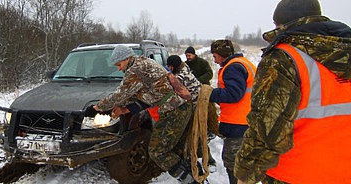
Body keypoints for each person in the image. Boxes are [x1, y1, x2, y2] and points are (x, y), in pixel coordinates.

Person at [234, 0, 351, 184]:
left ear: (281, 24)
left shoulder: (284, 59)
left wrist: (245, 174)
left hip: (297, 175)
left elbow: (267, 131)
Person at [93, 45, 196, 183]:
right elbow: (145, 96)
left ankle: (192, 180)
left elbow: (121, 94)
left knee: (157, 152)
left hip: (175, 109)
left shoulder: (136, 69)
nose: (118, 68)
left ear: (127, 58)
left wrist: (98, 108)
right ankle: (195, 174)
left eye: (119, 64)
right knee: (174, 149)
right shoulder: (143, 63)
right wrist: (124, 109)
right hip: (177, 107)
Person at [208, 39, 257, 184]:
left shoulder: (233, 68)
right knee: (244, 163)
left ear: (222, 55)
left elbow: (234, 94)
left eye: (215, 56)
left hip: (238, 124)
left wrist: (210, 94)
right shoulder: (245, 63)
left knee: (234, 163)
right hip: (248, 120)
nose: (214, 60)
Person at [185, 46, 218, 171]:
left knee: (205, 122)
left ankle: (210, 133)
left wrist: (197, 81)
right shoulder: (185, 65)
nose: (188, 57)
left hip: (204, 93)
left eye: (190, 55)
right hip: (192, 97)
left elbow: (209, 74)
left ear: (194, 55)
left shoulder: (203, 63)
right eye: (187, 55)